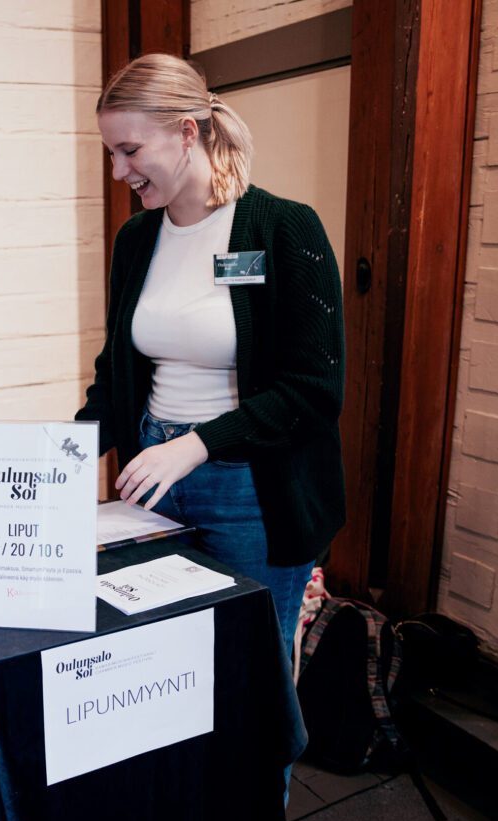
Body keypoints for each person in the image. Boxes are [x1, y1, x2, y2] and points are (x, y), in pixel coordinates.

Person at [77, 53, 347, 667]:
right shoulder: (136, 239)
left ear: (185, 132)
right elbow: (116, 371)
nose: (118, 171)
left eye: (130, 150)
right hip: (151, 478)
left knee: (249, 674)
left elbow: (313, 390)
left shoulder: (285, 229)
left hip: (252, 490)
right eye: (111, 153)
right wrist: (62, 453)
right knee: (166, 666)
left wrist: (194, 446)